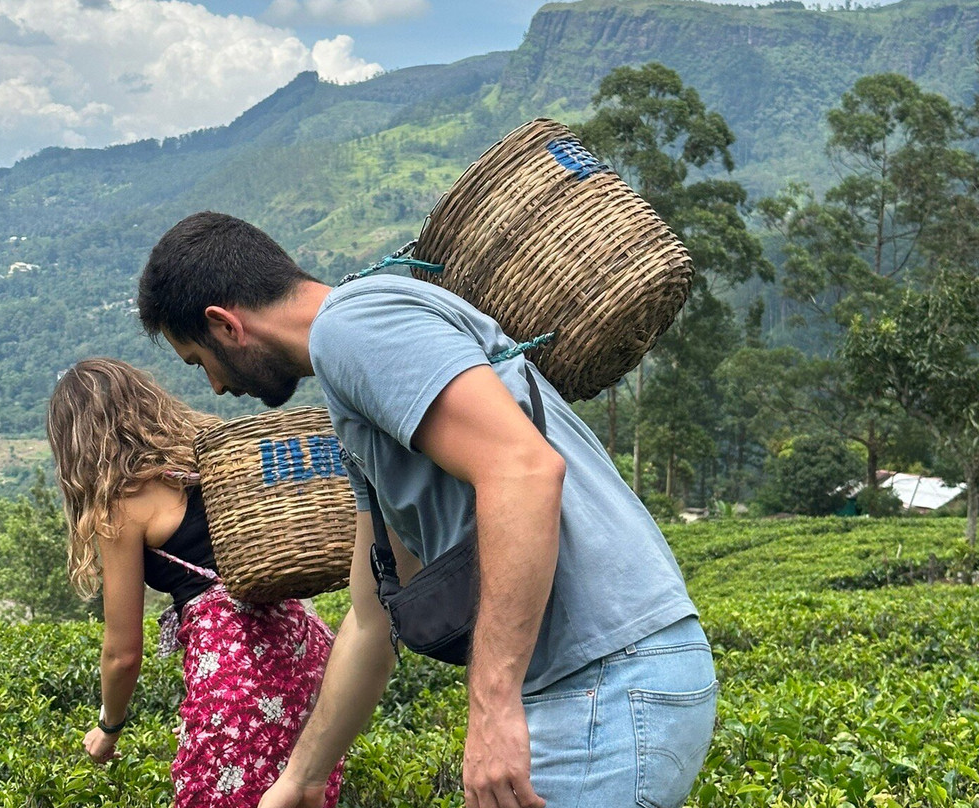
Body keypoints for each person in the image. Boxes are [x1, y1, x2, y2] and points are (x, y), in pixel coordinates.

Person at [138, 211, 718, 808]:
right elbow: (371, 614)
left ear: (223, 324)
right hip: (599, 679)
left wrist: (492, 710)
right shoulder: (356, 384)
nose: (212, 387)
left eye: (196, 361)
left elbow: (522, 470)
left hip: (600, 682)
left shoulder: (355, 328)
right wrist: (302, 778)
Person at [45, 357, 342, 808]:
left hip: (237, 670)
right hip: (304, 650)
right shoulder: (206, 453)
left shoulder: (120, 507)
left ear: (75, 441)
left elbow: (122, 652)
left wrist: (108, 727)